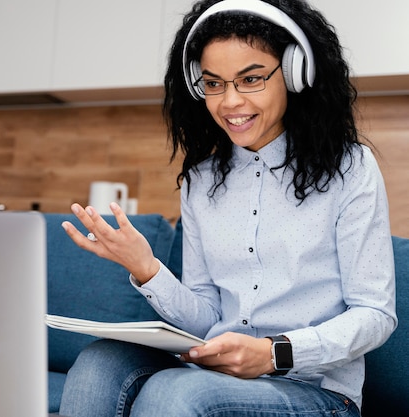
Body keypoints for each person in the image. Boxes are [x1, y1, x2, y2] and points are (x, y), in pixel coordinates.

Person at [58, 0, 397, 416]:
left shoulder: (350, 167)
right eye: (214, 84)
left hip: (318, 391)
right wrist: (145, 267)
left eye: (250, 78)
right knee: (98, 362)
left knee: (175, 393)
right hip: (219, 374)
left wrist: (275, 353)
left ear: (293, 73)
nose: (229, 102)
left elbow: (375, 314)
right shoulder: (202, 181)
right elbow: (207, 316)